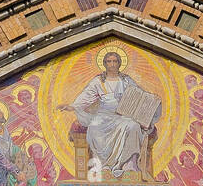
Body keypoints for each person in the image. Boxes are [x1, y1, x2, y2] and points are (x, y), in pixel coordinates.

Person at [60, 50, 159, 179]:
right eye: (109, 61)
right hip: (103, 116)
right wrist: (72, 106)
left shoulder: (126, 80)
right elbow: (86, 96)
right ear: (104, 64)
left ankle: (129, 166)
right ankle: (104, 167)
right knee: (94, 127)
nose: (112, 64)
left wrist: (152, 99)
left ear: (119, 63)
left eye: (115, 61)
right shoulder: (98, 81)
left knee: (133, 126)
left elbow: (139, 95)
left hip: (124, 115)